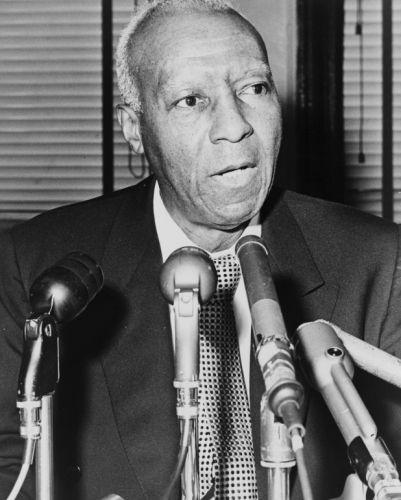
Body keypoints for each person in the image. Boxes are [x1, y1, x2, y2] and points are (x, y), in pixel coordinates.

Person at [1, 0, 401, 499]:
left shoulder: (380, 264)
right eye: (191, 100)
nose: (235, 126)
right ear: (134, 127)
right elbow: (10, 465)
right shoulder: (34, 267)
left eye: (254, 88)